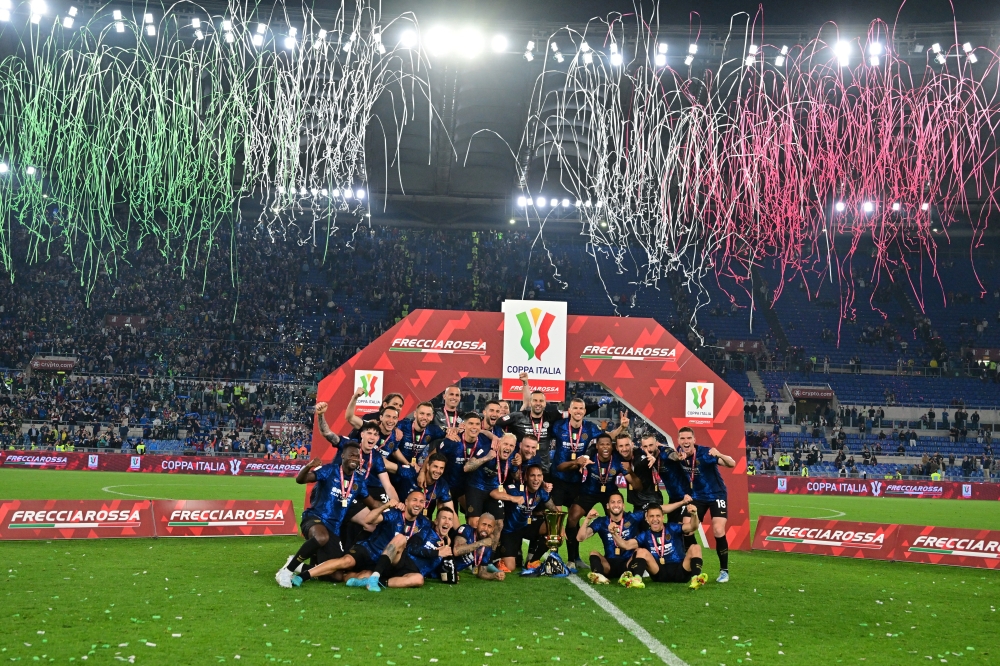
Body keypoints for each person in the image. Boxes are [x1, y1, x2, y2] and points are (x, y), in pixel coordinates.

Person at [276, 442, 378, 588]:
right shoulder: (330, 470)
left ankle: (297, 565)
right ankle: (287, 571)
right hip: (314, 518)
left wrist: (393, 506)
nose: (355, 458)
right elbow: (300, 480)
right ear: (343, 456)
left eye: (357, 456)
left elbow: (373, 503)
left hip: (334, 529)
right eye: (351, 455)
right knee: (321, 537)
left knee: (335, 575)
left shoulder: (359, 482)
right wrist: (308, 466)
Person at [292, 491, 430, 591]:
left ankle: (303, 567)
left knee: (344, 577)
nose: (418, 504)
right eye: (414, 500)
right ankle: (302, 576)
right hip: (369, 549)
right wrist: (384, 506)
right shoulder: (394, 514)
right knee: (346, 562)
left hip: (384, 561)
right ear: (406, 502)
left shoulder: (424, 524)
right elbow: (369, 520)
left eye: (421, 501)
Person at [551, 399, 627, 568]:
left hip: (578, 483)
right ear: (569, 410)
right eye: (575, 408)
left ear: (585, 411)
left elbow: (605, 441)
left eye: (581, 408)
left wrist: (621, 428)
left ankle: (580, 557)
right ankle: (560, 556)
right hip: (559, 478)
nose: (578, 411)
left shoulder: (591, 428)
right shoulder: (558, 426)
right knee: (560, 518)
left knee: (578, 518)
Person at [667, 426, 736, 583]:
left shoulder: (706, 453)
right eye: (682, 438)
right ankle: (695, 560)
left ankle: (724, 571)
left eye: (688, 438)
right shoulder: (678, 453)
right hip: (697, 496)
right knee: (686, 528)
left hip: (716, 494)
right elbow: (665, 453)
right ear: (678, 441)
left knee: (718, 530)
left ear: (694, 440)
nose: (686, 441)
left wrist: (719, 454)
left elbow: (731, 464)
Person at [561, 433, 641, 558]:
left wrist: (630, 470)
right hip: (588, 492)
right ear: (597, 446)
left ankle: (625, 556)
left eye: (608, 444)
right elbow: (563, 468)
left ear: (612, 446)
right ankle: (573, 558)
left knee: (622, 521)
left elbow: (637, 486)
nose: (605, 447)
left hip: (609, 494)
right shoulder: (590, 456)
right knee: (572, 518)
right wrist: (577, 463)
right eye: (602, 444)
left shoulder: (618, 460)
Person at [616, 503, 706, 589]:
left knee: (695, 547)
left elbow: (692, 527)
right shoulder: (645, 535)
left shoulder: (673, 528)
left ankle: (696, 578)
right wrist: (614, 533)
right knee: (640, 551)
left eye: (658, 516)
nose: (655, 519)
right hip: (659, 572)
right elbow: (626, 545)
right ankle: (637, 579)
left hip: (680, 571)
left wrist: (694, 514)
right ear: (647, 519)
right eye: (651, 516)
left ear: (663, 517)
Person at [492, 464, 561, 571]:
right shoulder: (515, 489)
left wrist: (560, 526)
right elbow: (494, 493)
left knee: (553, 527)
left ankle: (533, 561)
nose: (536, 479)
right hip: (510, 530)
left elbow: (554, 510)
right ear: (526, 477)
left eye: (539, 476)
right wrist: (512, 498)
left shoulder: (542, 492)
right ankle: (495, 556)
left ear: (542, 478)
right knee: (510, 567)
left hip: (526, 526)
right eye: (532, 476)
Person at [576, 491, 646, 584]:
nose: (616, 505)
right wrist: (587, 519)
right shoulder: (602, 522)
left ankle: (635, 578)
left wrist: (672, 505)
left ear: (623, 505)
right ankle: (599, 575)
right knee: (593, 553)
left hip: (628, 564)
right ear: (608, 506)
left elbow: (657, 510)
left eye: (619, 502)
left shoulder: (632, 518)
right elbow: (580, 538)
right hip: (608, 565)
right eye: (612, 502)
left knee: (641, 551)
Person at [431, 412, 491, 513]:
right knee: (445, 516)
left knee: (471, 517)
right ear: (464, 425)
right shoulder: (453, 440)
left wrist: (494, 438)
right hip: (449, 485)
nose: (474, 427)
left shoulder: (485, 441)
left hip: (469, 487)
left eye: (477, 424)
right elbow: (433, 456)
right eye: (471, 423)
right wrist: (423, 473)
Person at [464, 432, 518, 530]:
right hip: (476, 487)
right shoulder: (486, 449)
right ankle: (473, 544)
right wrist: (486, 458)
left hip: (493, 490)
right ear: (499, 443)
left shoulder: (513, 457)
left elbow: (516, 476)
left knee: (499, 524)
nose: (508, 447)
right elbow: (467, 468)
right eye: (505, 444)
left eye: (511, 445)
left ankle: (491, 546)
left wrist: (518, 464)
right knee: (474, 523)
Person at [394, 452, 454, 518]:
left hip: (423, 522)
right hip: (400, 517)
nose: (438, 471)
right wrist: (396, 502)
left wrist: (459, 528)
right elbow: (387, 467)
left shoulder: (442, 484)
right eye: (435, 466)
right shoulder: (411, 473)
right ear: (428, 466)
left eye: (441, 468)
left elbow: (450, 509)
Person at [450, 511, 505, 580]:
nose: (485, 528)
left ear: (492, 530)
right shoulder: (466, 529)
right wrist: (480, 543)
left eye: (489, 526)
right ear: (477, 523)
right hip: (441, 565)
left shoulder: (487, 548)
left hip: (450, 572)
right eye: (483, 524)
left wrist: (494, 575)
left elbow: (481, 573)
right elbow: (456, 551)